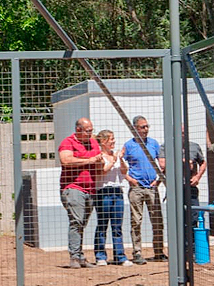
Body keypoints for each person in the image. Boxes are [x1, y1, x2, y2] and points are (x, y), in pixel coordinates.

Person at [59, 117, 104, 269]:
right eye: (88, 131)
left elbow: (98, 162)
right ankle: (74, 257)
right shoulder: (68, 142)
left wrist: (100, 162)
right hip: (73, 187)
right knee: (76, 221)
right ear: (78, 130)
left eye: (92, 130)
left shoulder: (93, 142)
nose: (91, 133)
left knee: (82, 223)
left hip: (90, 189)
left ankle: (80, 256)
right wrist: (89, 160)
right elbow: (66, 160)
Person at [123, 115, 167, 264]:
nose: (146, 130)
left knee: (157, 221)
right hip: (136, 189)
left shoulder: (154, 144)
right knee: (136, 221)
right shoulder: (129, 146)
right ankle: (137, 253)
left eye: (147, 126)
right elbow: (119, 166)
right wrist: (130, 180)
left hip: (152, 188)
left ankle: (159, 252)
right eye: (143, 127)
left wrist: (158, 180)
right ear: (135, 128)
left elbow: (162, 165)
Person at [94, 130, 132, 266]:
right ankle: (100, 256)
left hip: (117, 192)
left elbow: (124, 171)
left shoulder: (115, 156)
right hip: (103, 192)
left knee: (117, 226)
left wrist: (120, 159)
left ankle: (119, 256)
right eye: (111, 139)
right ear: (103, 142)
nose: (114, 142)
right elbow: (102, 171)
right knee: (102, 225)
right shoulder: (99, 156)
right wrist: (114, 159)